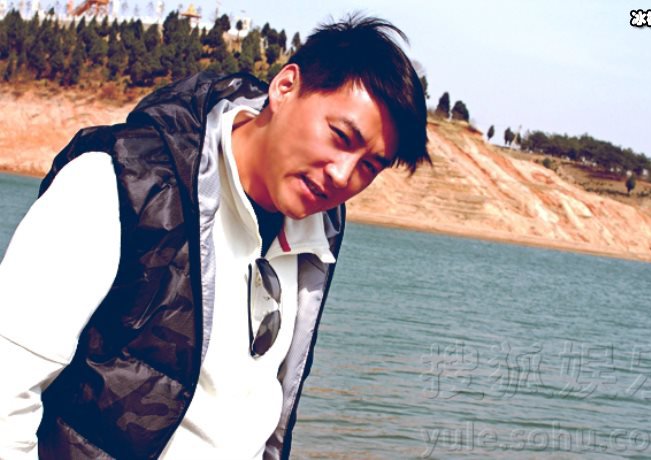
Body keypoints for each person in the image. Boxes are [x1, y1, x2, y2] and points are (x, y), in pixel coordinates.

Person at [0, 14, 430, 459]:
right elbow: (6, 385)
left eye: (369, 166)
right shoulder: (121, 182)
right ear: (285, 88)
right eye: (340, 136)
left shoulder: (318, 229)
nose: (343, 175)